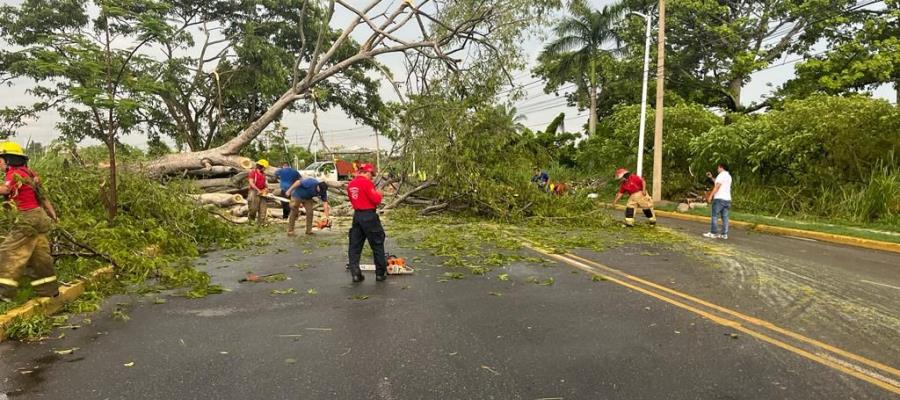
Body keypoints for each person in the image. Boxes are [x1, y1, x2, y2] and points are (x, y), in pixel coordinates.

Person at [0, 141, 60, 302]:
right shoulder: (31, 173)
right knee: (39, 256)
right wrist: (52, 215)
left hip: (27, 217)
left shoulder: (13, 174)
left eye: (0, 160)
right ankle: (49, 290)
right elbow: (42, 197)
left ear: (9, 160)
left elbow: (5, 190)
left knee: (8, 251)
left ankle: (4, 292)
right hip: (39, 216)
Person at [346, 164, 387, 283]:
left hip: (357, 216)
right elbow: (376, 200)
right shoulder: (366, 183)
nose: (372, 178)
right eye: (371, 175)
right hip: (369, 216)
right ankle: (380, 274)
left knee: (355, 246)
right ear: (367, 173)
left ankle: (355, 274)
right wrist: (380, 194)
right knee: (377, 244)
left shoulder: (351, 184)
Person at [704, 163, 732, 239]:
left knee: (714, 216)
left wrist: (710, 196)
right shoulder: (728, 176)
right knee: (725, 217)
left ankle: (713, 233)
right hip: (727, 199)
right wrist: (711, 177)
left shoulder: (721, 175)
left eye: (718, 168)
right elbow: (717, 182)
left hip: (719, 199)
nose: (717, 169)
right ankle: (724, 234)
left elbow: (717, 186)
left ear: (721, 167)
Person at [247, 159, 269, 226]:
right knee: (253, 208)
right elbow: (251, 183)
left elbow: (266, 184)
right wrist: (258, 190)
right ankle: (251, 221)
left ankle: (261, 223)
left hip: (262, 192)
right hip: (254, 192)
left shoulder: (263, 174)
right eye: (264, 167)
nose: (265, 169)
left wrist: (266, 189)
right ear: (261, 166)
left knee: (263, 208)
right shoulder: (253, 173)